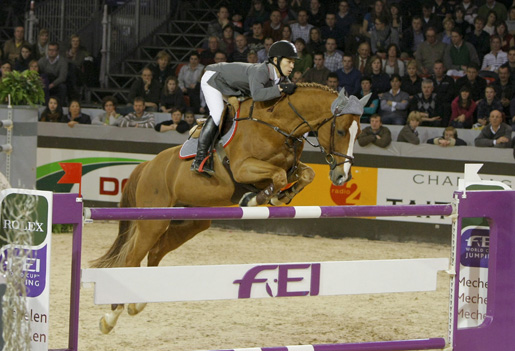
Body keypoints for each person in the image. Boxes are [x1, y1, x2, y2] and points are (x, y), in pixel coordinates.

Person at [191, 40, 298, 176]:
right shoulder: (262, 71)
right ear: (276, 60)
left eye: (293, 62)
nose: (292, 66)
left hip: (230, 86)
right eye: (289, 61)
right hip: (214, 79)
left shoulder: (281, 78)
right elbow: (258, 94)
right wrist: (281, 88)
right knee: (218, 113)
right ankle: (199, 159)